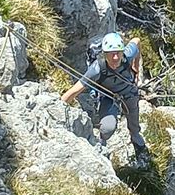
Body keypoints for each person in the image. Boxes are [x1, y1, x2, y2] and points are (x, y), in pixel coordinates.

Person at [61, 32, 150, 166]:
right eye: (110, 53)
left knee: (134, 124)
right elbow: (74, 91)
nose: (115, 57)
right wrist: (58, 106)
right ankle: (102, 143)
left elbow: (136, 41)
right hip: (109, 98)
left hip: (129, 94)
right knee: (107, 129)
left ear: (122, 51)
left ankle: (137, 140)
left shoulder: (127, 55)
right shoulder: (97, 69)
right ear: (104, 53)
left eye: (118, 53)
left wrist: (135, 68)